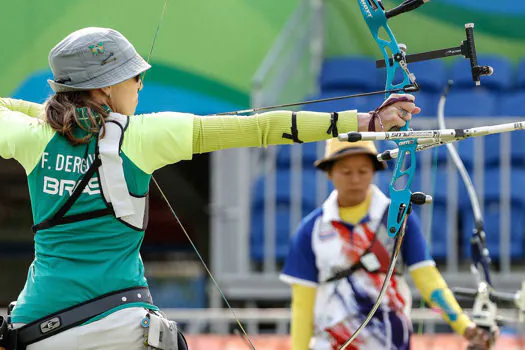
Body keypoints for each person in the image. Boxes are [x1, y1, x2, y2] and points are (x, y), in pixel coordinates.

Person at [0, 27, 420, 350]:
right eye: (133, 77)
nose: (140, 85)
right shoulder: (145, 136)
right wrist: (366, 122)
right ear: (106, 87)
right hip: (121, 326)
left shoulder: (31, 136)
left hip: (38, 328)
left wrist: (51, 115)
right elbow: (261, 126)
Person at [280, 139, 496, 350]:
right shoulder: (312, 229)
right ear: (329, 173)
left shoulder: (399, 217)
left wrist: (464, 326)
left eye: (363, 171)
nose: (355, 179)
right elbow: (302, 305)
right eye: (346, 172)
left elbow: (427, 279)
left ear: (374, 171)